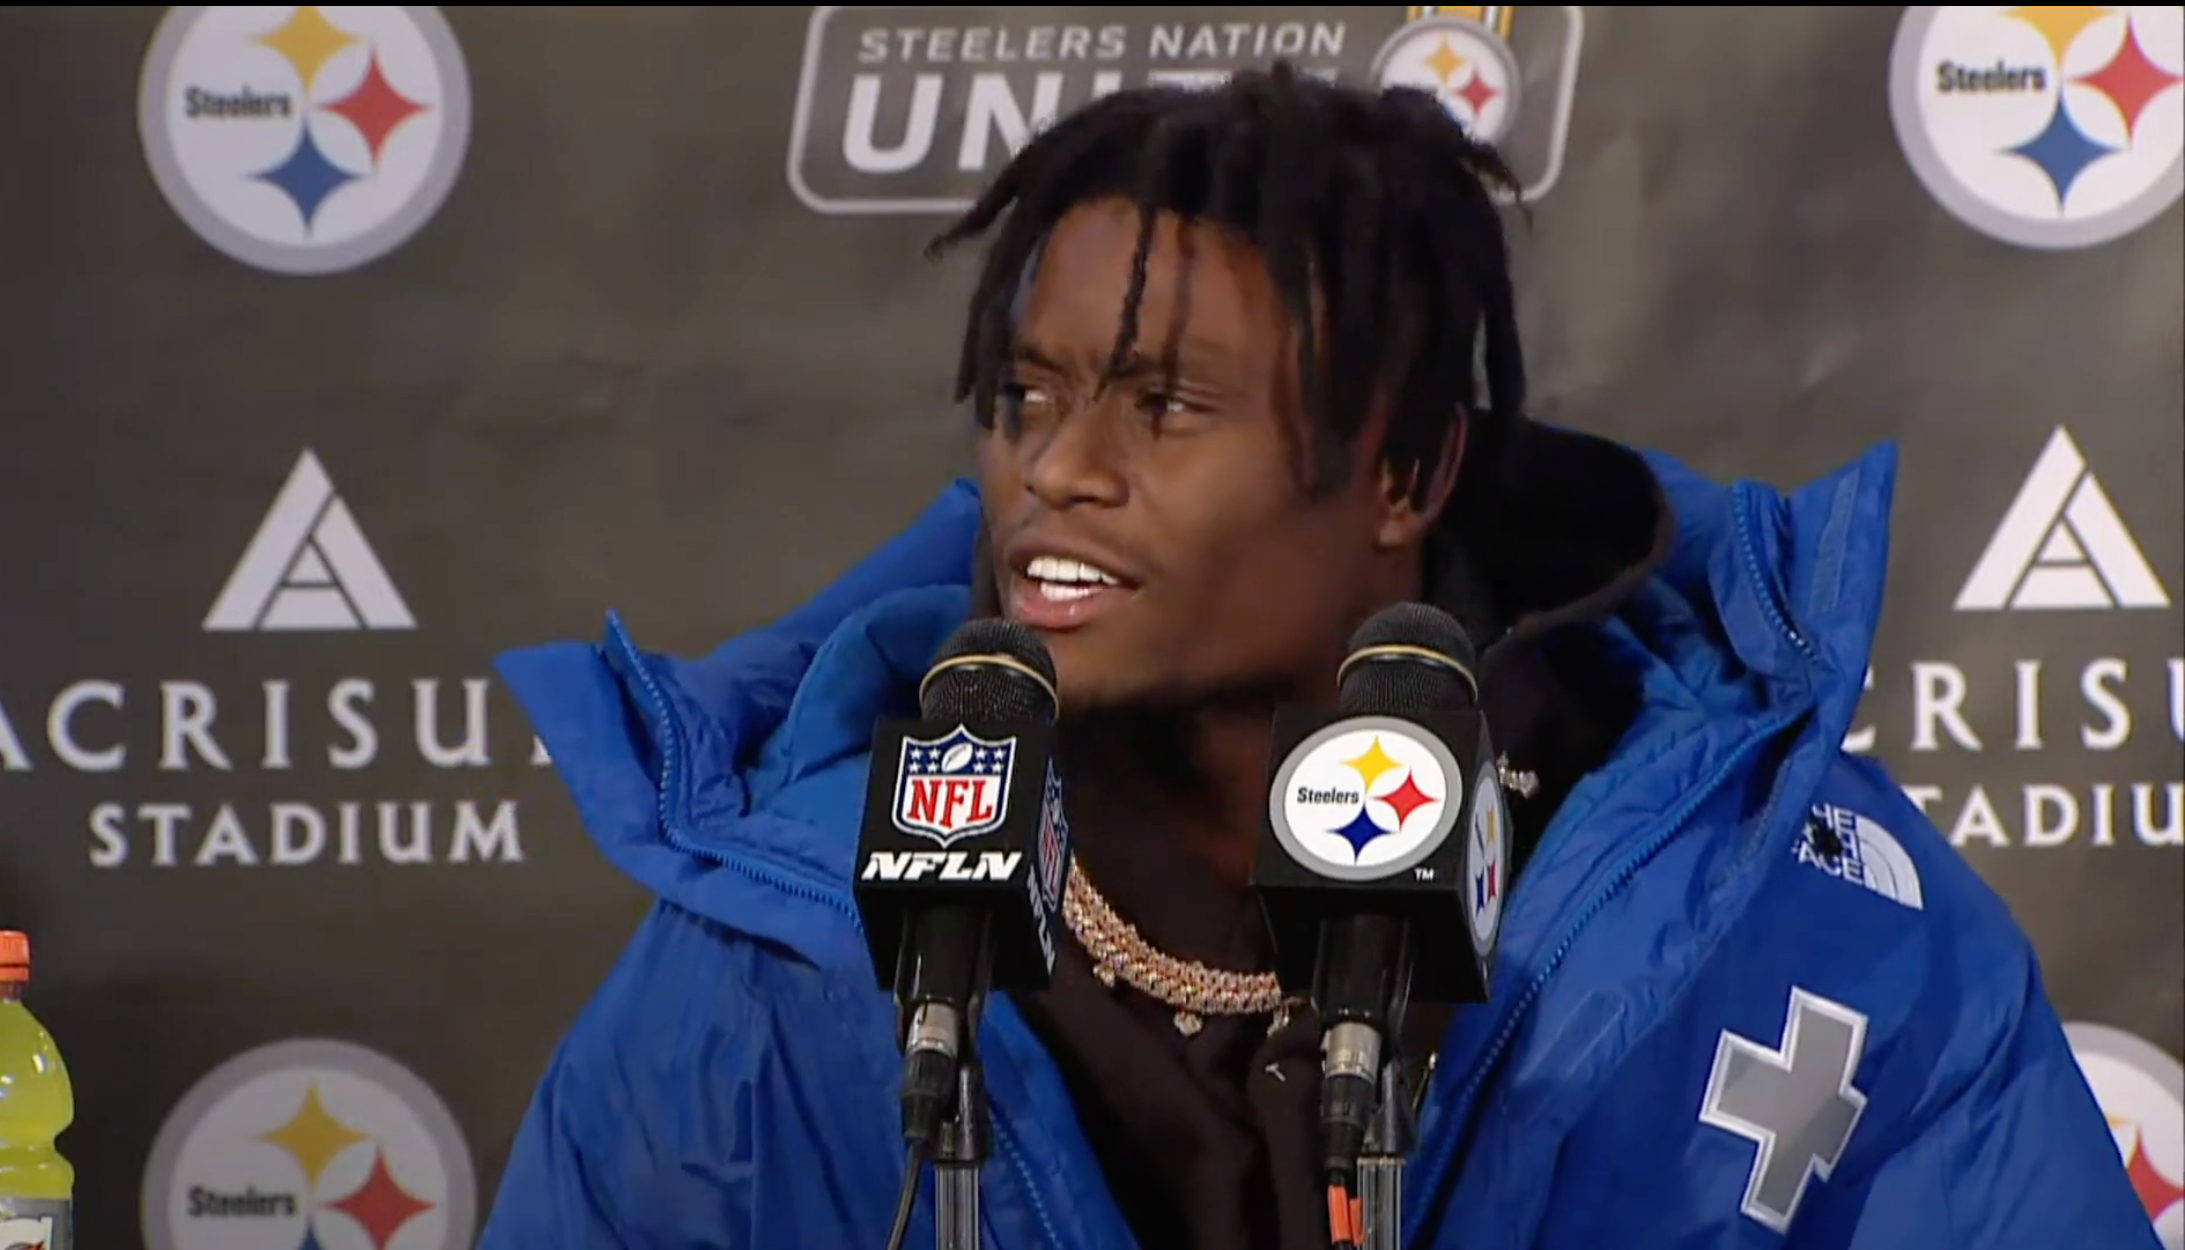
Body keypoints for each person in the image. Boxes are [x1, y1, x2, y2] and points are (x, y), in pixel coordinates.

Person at [478, 65, 2157, 1250]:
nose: (1058, 468)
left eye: (1165, 405)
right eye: (1028, 399)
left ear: (1405, 475)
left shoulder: (1791, 912)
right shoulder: (783, 937)